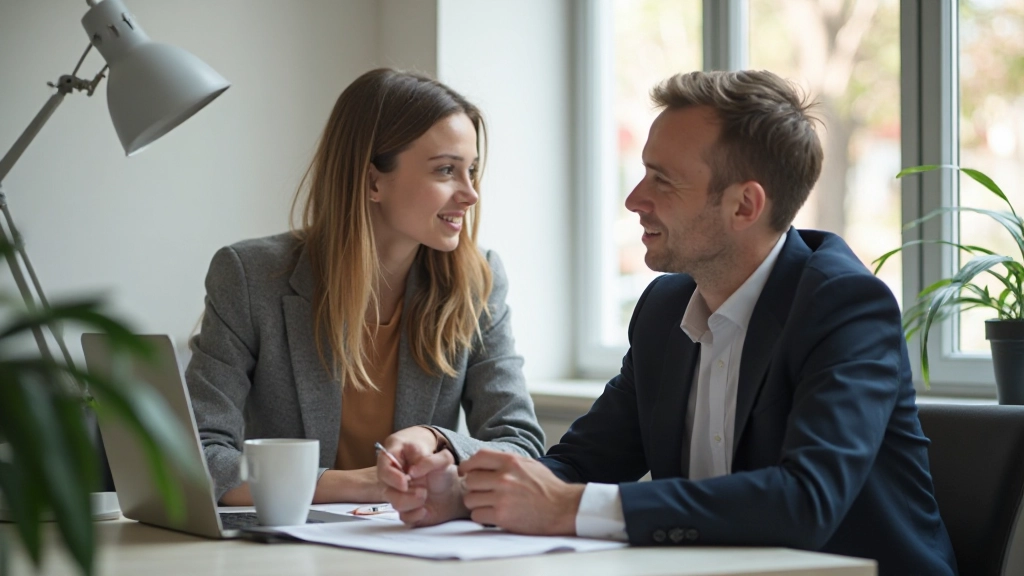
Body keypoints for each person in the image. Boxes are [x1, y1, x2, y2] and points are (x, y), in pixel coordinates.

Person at [380, 70, 958, 576]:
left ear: (744, 206)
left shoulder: (844, 306)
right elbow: (580, 464)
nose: (634, 199)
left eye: (663, 179)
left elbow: (805, 501)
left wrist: (567, 507)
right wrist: (468, 494)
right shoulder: (663, 308)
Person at [185, 68, 545, 505]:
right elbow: (195, 454)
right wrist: (357, 485)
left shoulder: (477, 280)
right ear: (374, 180)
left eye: (471, 170)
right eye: (447, 170)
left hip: (413, 545)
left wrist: (437, 438)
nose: (470, 194)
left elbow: (522, 447)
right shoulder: (249, 276)